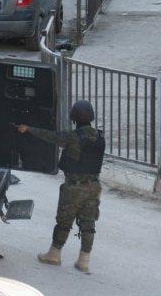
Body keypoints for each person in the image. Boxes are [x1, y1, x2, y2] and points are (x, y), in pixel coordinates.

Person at [16, 100, 105, 273]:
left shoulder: (72, 137)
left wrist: (28, 128)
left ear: (74, 118)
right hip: (94, 187)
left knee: (64, 222)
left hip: (74, 187)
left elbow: (50, 136)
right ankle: (84, 261)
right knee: (88, 224)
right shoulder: (100, 137)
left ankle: (54, 254)